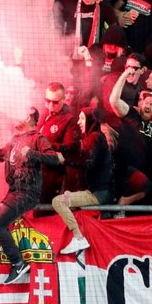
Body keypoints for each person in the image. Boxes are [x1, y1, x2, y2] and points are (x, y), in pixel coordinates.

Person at [0, 108, 62, 285]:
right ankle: (18, 263)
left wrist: (31, 153)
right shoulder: (15, 139)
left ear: (28, 117)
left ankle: (18, 263)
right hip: (15, 192)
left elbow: (54, 159)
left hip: (27, 193)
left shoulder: (38, 138)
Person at [55, 106, 114, 254]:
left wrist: (65, 160)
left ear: (90, 119)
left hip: (98, 193)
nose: (79, 122)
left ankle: (78, 238)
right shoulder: (95, 137)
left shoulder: (95, 137)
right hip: (98, 191)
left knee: (57, 201)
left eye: (82, 118)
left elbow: (86, 161)